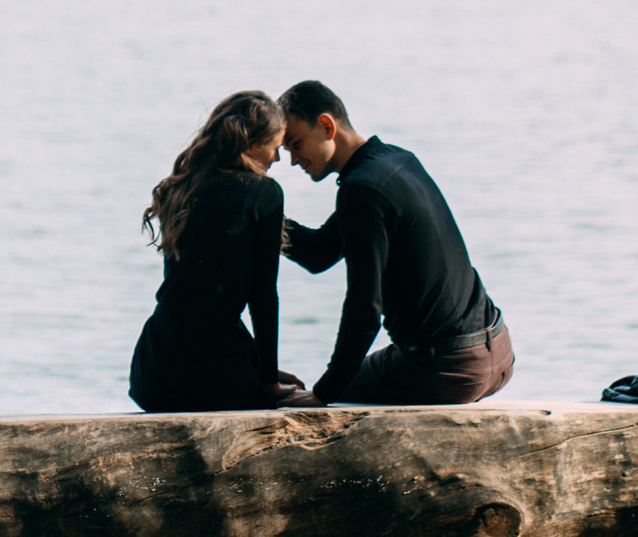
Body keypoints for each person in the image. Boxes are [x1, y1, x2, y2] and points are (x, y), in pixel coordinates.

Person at [275, 80, 513, 406]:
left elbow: (364, 309)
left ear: (327, 126)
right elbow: (320, 253)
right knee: (346, 378)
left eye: (296, 144)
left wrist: (322, 395)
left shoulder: (361, 191)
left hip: (448, 369)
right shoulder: (396, 161)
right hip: (498, 351)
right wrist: (261, 216)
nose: (292, 160)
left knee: (334, 395)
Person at [129, 90, 307, 413]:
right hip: (212, 366)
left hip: (154, 367)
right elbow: (263, 296)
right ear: (252, 145)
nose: (277, 159)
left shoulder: (182, 186)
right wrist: (268, 378)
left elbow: (197, 297)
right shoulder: (264, 192)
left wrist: (258, 367)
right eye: (276, 148)